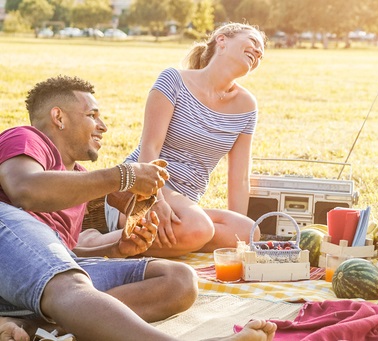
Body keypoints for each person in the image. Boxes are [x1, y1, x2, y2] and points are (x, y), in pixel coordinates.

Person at [0, 75, 276, 341]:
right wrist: (124, 175)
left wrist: (115, 248)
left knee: (177, 279)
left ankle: (32, 326)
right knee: (69, 284)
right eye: (92, 115)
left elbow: (56, 252)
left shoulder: (77, 178)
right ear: (58, 117)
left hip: (34, 283)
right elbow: (25, 190)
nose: (103, 125)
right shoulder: (27, 138)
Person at [102, 23, 267, 257]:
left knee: (248, 231)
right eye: (253, 42)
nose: (258, 52)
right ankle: (98, 242)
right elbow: (149, 148)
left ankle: (173, 236)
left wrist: (240, 247)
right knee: (199, 228)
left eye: (262, 52)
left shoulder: (247, 106)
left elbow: (239, 178)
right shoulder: (173, 80)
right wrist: (154, 200)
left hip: (184, 206)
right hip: (139, 188)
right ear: (222, 41)